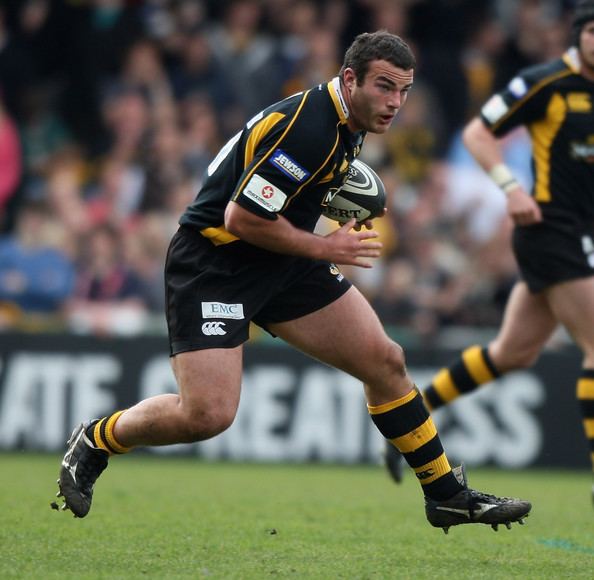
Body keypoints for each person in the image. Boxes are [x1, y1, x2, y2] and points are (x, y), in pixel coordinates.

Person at [54, 31, 531, 533]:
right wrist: (328, 246)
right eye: (385, 87)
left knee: (385, 361)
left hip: (281, 256)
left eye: (404, 90)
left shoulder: (350, 119)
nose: (395, 103)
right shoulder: (310, 127)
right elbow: (241, 217)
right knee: (207, 415)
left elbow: (286, 190)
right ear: (350, 79)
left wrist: (335, 202)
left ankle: (446, 495)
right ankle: (96, 439)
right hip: (217, 263)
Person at [384, 1, 594, 502]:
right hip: (551, 231)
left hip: (575, 235)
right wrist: (510, 187)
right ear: (579, 34)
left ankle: (412, 421)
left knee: (512, 353)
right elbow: (479, 133)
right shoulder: (546, 82)